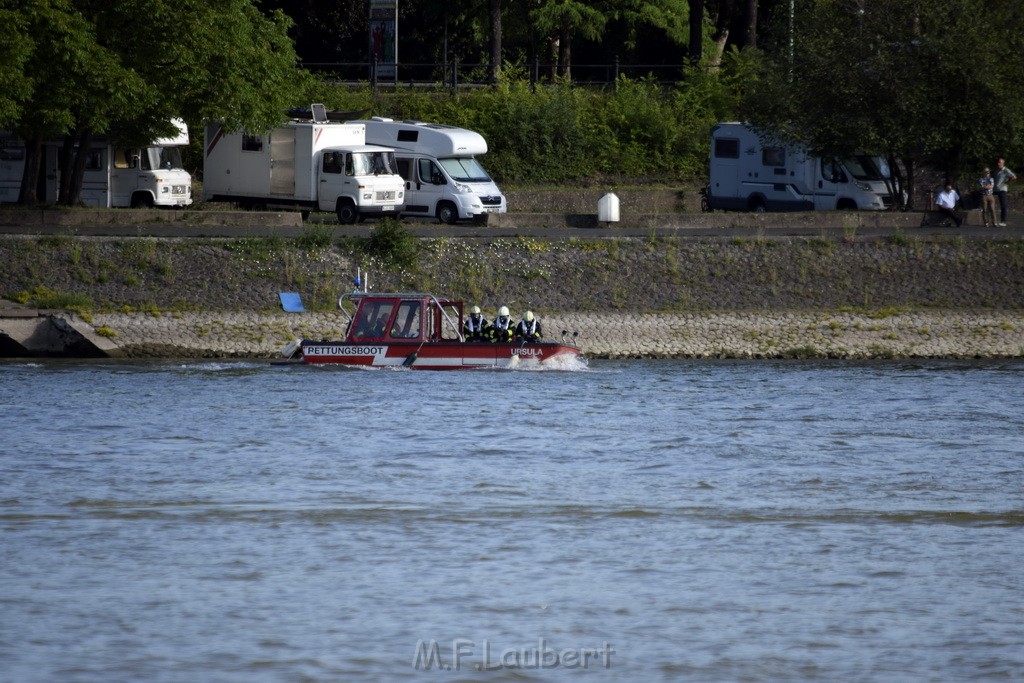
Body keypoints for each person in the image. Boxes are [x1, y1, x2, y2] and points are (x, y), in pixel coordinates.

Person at [994, 157, 1016, 226]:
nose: (998, 164)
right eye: (998, 162)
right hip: (995, 189)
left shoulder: (1006, 170)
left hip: (1002, 189)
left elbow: (1014, 177)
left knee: (1003, 205)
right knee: (988, 201)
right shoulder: (996, 170)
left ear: (1003, 163)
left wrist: (1007, 182)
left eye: (1000, 162)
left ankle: (1003, 221)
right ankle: (990, 220)